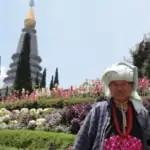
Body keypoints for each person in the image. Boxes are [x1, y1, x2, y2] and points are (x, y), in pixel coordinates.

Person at [72, 62, 150, 150]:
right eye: (115, 84)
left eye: (124, 84)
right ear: (109, 87)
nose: (119, 88)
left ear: (132, 86)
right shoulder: (99, 110)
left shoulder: (141, 113)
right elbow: (82, 142)